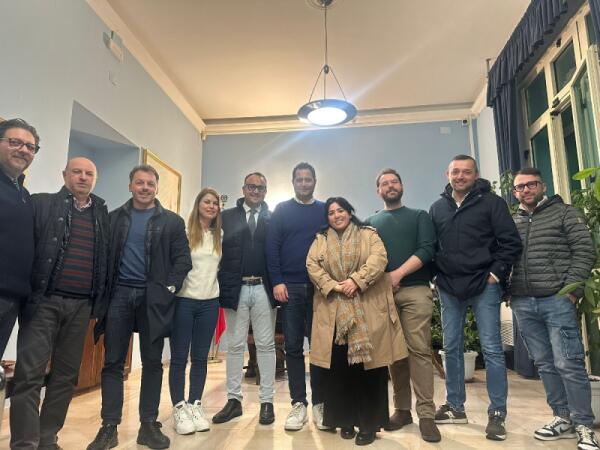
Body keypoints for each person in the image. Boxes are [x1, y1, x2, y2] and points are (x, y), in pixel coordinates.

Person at [87, 164, 192, 450]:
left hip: (153, 297)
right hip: (119, 295)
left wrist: (168, 288)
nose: (145, 188)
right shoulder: (113, 218)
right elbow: (101, 258)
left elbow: (183, 260)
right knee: (113, 363)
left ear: (156, 188)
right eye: (139, 182)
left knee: (152, 362)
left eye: (150, 183)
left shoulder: (172, 222)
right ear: (130, 186)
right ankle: (109, 427)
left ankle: (148, 425)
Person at [10, 157, 109, 450]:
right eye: (76, 172)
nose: (83, 177)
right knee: (29, 375)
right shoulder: (41, 204)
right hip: (43, 302)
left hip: (81, 307)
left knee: (66, 376)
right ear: (65, 175)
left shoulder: (102, 215)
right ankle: (25, 444)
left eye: (89, 173)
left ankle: (47, 439)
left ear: (95, 179)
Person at [429, 154, 522, 441]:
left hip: (485, 285)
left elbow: (511, 243)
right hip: (449, 287)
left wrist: (495, 275)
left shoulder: (492, 203)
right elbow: (431, 246)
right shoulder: (437, 207)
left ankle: (497, 413)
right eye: (455, 171)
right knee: (451, 347)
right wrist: (436, 277)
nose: (460, 176)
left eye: (466, 172)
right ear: (447, 174)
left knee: (492, 350)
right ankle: (455, 406)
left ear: (475, 175)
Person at [509, 167, 599, 450]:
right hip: (523, 302)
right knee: (545, 364)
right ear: (515, 192)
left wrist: (570, 291)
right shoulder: (512, 221)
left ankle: (584, 424)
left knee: (568, 363)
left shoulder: (565, 213)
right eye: (520, 187)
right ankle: (562, 417)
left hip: (556, 301)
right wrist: (508, 291)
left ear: (543, 186)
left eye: (531, 184)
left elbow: (585, 250)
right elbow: (504, 256)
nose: (526, 190)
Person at [307, 197, 407, 446]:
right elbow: (312, 265)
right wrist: (334, 286)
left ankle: (369, 424)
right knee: (339, 371)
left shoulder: (368, 234)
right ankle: (345, 421)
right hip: (334, 312)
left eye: (340, 210)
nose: (336, 215)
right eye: (331, 212)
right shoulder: (320, 240)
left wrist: (356, 281)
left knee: (369, 370)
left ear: (350, 212)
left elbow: (379, 259)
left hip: (367, 308)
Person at [366, 168, 440, 443]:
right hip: (383, 296)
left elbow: (427, 249)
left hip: (416, 290)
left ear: (402, 186)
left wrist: (396, 275)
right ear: (378, 191)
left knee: (418, 350)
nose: (390, 186)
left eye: (394, 181)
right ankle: (402, 410)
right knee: (395, 354)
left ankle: (427, 414)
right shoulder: (370, 223)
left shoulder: (419, 216)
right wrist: (382, 280)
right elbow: (367, 258)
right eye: (384, 183)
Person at [212, 172, 278, 426]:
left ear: (265, 191)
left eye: (260, 188)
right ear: (243, 189)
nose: (255, 191)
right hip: (235, 287)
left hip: (264, 288)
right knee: (235, 345)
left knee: (266, 345)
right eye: (251, 186)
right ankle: (233, 401)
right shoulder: (226, 216)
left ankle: (267, 402)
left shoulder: (273, 218)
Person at [266, 162, 327, 431]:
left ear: (314, 182)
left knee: (319, 348)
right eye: (299, 179)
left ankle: (320, 404)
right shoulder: (282, 210)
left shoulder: (324, 210)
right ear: (293, 182)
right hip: (289, 288)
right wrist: (277, 281)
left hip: (320, 289)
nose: (304, 183)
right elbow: (272, 247)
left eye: (308, 179)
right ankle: (298, 403)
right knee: (292, 347)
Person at [169, 188, 222, 435]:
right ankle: (179, 408)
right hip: (184, 302)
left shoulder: (219, 235)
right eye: (206, 202)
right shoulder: (184, 233)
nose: (211, 206)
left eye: (215, 203)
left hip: (209, 303)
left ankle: (195, 404)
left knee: (200, 358)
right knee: (179, 358)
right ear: (198, 204)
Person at [0, 118, 39, 358]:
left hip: (12, 298)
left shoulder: (24, 194)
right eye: (15, 142)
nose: (23, 150)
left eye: (30, 147)